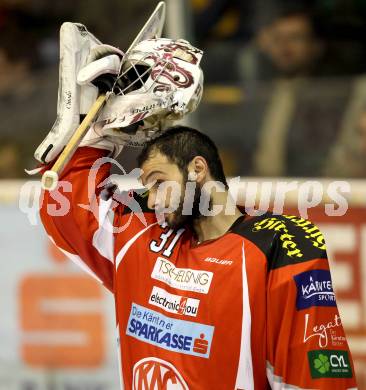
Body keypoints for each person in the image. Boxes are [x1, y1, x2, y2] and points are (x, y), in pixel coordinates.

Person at [38, 123, 357, 388]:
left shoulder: (278, 244)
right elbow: (66, 208)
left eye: (159, 183)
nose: (156, 200)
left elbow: (314, 379)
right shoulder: (141, 237)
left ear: (198, 168)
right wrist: (96, 133)